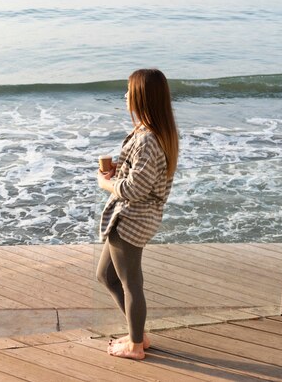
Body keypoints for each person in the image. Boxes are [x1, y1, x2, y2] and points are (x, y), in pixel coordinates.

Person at [96, 68, 179, 359]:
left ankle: (135, 345)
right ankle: (138, 333)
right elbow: (144, 177)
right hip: (135, 216)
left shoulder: (147, 139)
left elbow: (133, 189)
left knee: (131, 282)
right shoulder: (153, 132)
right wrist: (121, 171)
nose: (125, 96)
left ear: (142, 97)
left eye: (129, 91)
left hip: (132, 218)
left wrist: (106, 182)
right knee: (106, 276)